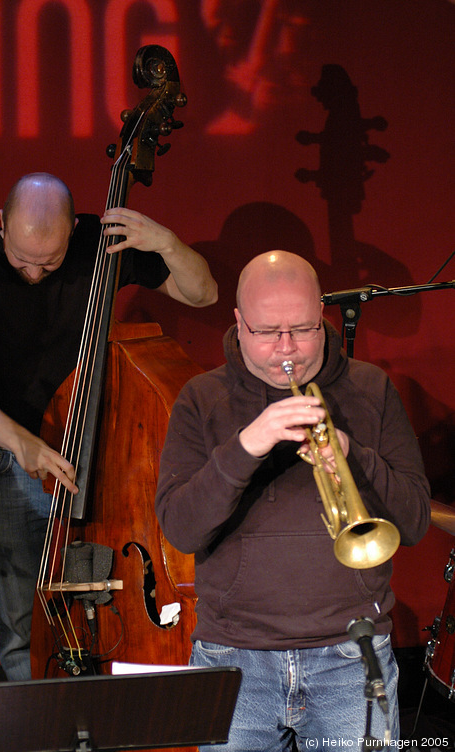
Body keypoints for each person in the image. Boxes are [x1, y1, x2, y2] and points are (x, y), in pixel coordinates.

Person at [0, 172, 218, 681]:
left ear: (73, 230)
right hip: (9, 460)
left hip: (93, 456)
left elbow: (203, 294)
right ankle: (35, 721)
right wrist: (22, 442)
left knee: (107, 603)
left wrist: (170, 246)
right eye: (21, 258)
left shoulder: (100, 244)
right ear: (1, 224)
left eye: (49, 261)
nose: (32, 272)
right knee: (22, 613)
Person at [155, 250, 430, 751]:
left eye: (303, 329)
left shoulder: (371, 388)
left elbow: (412, 523)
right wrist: (246, 447)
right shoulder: (201, 399)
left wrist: (355, 456)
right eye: (267, 332)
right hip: (234, 657)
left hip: (353, 654)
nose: (288, 348)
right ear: (238, 323)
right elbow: (181, 529)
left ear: (322, 316)